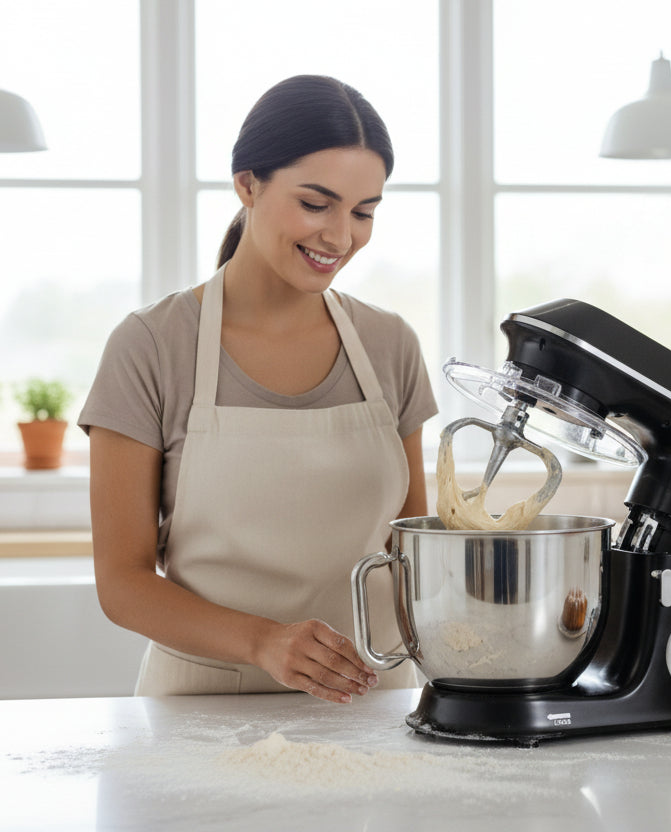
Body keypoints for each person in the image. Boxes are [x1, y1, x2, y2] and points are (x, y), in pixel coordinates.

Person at [78, 75, 437, 702]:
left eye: (363, 212)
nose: (340, 237)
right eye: (315, 203)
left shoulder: (390, 345)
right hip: (199, 711)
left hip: (373, 702)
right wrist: (263, 641)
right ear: (248, 183)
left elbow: (412, 550)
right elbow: (123, 583)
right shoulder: (152, 346)